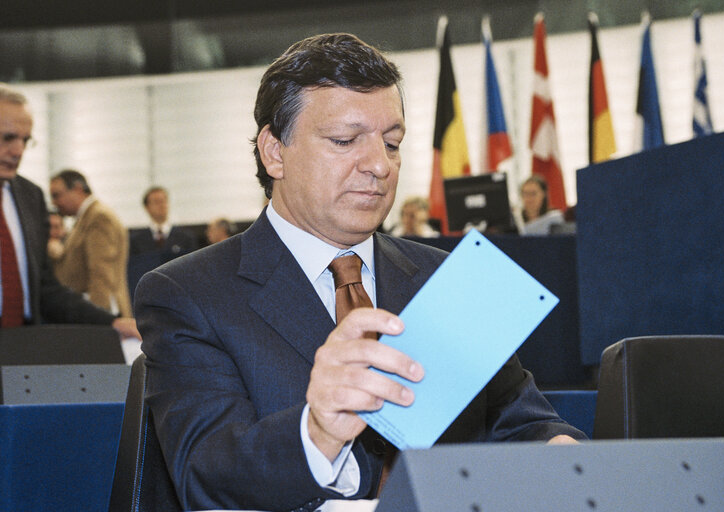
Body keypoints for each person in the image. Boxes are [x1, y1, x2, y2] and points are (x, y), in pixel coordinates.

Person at [134, 33, 585, 512]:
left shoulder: (445, 279)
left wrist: (560, 454)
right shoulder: (188, 293)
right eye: (345, 141)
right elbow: (205, 476)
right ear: (274, 152)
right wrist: (317, 431)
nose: (379, 165)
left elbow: (524, 424)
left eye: (392, 143)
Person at [0, 84, 138, 337]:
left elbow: (45, 290)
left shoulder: (30, 197)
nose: (18, 151)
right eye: (8, 137)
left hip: (22, 352)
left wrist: (110, 323)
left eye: (25, 140)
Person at [50, 169, 132, 316]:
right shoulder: (85, 218)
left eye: (57, 195)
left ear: (77, 189)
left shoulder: (98, 218)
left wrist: (97, 318)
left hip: (101, 312)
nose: (54, 202)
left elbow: (101, 274)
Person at [130, 186, 198, 258]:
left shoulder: (186, 237)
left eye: (164, 201)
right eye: (156, 202)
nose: (161, 205)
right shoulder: (136, 240)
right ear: (147, 207)